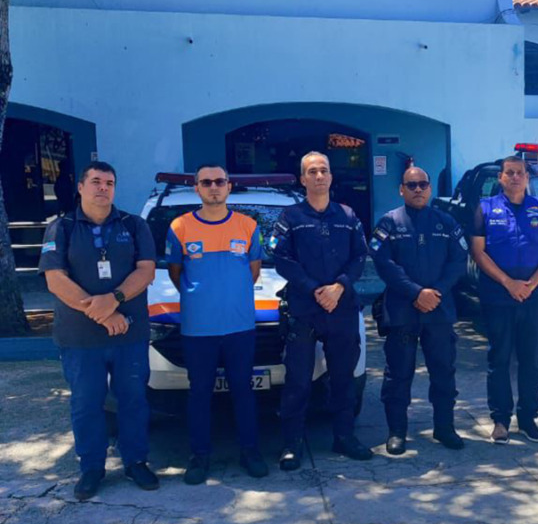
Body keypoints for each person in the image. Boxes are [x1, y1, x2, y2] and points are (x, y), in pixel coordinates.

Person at [40, 161, 158, 500]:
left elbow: (146, 271)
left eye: (109, 182)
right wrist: (105, 314)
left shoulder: (134, 225)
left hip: (129, 334)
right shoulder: (60, 228)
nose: (103, 188)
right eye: (96, 181)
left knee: (133, 400)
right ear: (81, 187)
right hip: (80, 338)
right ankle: (91, 468)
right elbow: (55, 279)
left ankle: (136, 461)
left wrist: (114, 299)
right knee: (86, 403)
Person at [166, 165, 268, 484]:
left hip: (240, 327)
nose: (214, 187)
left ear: (228, 186)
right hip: (198, 330)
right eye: (206, 182)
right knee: (199, 393)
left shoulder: (248, 226)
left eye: (219, 181)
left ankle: (250, 451)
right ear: (196, 188)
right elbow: (175, 273)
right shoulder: (180, 226)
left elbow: (253, 271)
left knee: (243, 391)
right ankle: (199, 456)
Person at [272, 151, 371, 466]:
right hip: (304, 309)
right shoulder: (290, 217)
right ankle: (292, 444)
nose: (318, 176)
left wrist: (339, 286)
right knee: (298, 381)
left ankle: (344, 437)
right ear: (303, 179)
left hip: (342, 308)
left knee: (343, 378)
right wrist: (314, 288)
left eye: (323, 170)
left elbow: (360, 257)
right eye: (312, 171)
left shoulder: (348, 215)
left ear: (331, 176)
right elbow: (281, 258)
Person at [370, 166, 468, 455]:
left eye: (423, 184)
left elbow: (458, 261)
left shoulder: (446, 222)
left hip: (438, 309)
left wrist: (436, 291)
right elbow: (384, 263)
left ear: (430, 188)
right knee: (398, 374)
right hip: (402, 310)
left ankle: (445, 427)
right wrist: (416, 292)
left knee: (443, 371)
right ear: (401, 189)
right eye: (411, 185)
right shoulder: (389, 222)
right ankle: (397, 432)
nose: (417, 189)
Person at [470, 156, 538, 444]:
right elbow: (478, 251)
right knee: (499, 358)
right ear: (501, 177)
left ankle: (528, 418)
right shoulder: (485, 208)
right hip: (498, 296)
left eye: (520, 173)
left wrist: (532, 284)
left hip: (534, 296)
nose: (515, 177)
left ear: (527, 177)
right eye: (509, 173)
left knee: (530, 360)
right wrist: (508, 283)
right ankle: (500, 420)